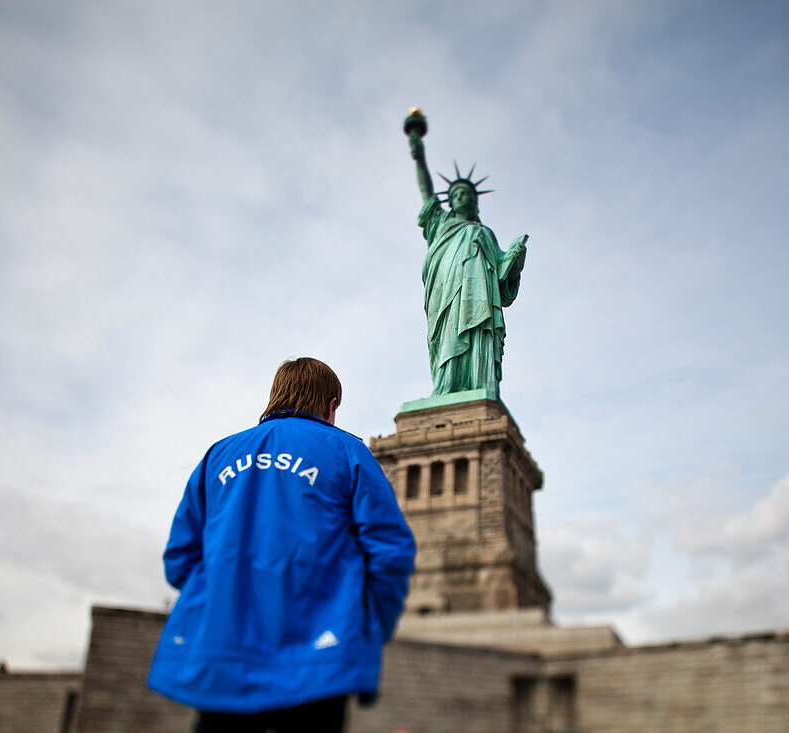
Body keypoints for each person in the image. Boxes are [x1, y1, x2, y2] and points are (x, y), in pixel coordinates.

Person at [148, 358, 416, 733]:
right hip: (317, 664)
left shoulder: (218, 455)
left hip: (223, 659)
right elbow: (390, 553)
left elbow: (179, 558)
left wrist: (224, 600)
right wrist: (372, 625)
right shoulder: (348, 454)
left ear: (275, 396)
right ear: (332, 405)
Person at [409, 131, 528, 397]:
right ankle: (447, 386)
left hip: (479, 300)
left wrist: (515, 261)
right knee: (448, 336)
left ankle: (480, 385)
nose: (463, 197)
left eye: (467, 194)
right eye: (457, 194)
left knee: (479, 330)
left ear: (474, 202)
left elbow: (502, 281)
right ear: (449, 201)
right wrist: (419, 157)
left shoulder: (485, 233)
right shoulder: (440, 223)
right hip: (446, 295)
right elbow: (426, 191)